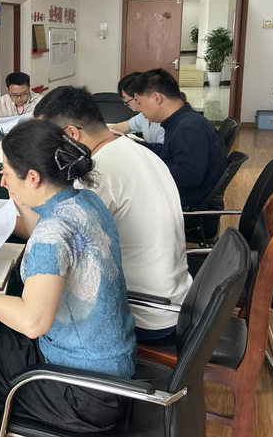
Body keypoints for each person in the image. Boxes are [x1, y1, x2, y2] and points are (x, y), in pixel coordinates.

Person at [0, 120, 135, 434]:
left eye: (6, 173)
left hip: (82, 394)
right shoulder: (85, 200)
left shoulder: (51, 235)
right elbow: (47, 233)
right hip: (114, 368)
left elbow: (33, 322)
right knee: (0, 338)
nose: (2, 181)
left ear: (33, 177)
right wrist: (8, 209)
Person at [34, 86, 191, 342]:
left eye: (47, 142)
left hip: (144, 311)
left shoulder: (96, 173)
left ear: (72, 134)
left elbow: (58, 240)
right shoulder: (134, 147)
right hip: (176, 297)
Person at [128, 68, 226, 211]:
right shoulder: (181, 121)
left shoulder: (189, 129)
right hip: (180, 198)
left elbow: (187, 177)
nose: (138, 110)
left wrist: (145, 170)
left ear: (157, 98)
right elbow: (169, 153)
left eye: (139, 102)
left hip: (186, 208)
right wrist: (137, 146)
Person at [107, 72, 165, 144]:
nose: (126, 103)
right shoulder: (144, 115)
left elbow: (160, 149)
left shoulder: (164, 121)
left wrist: (131, 142)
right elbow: (128, 125)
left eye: (127, 99)